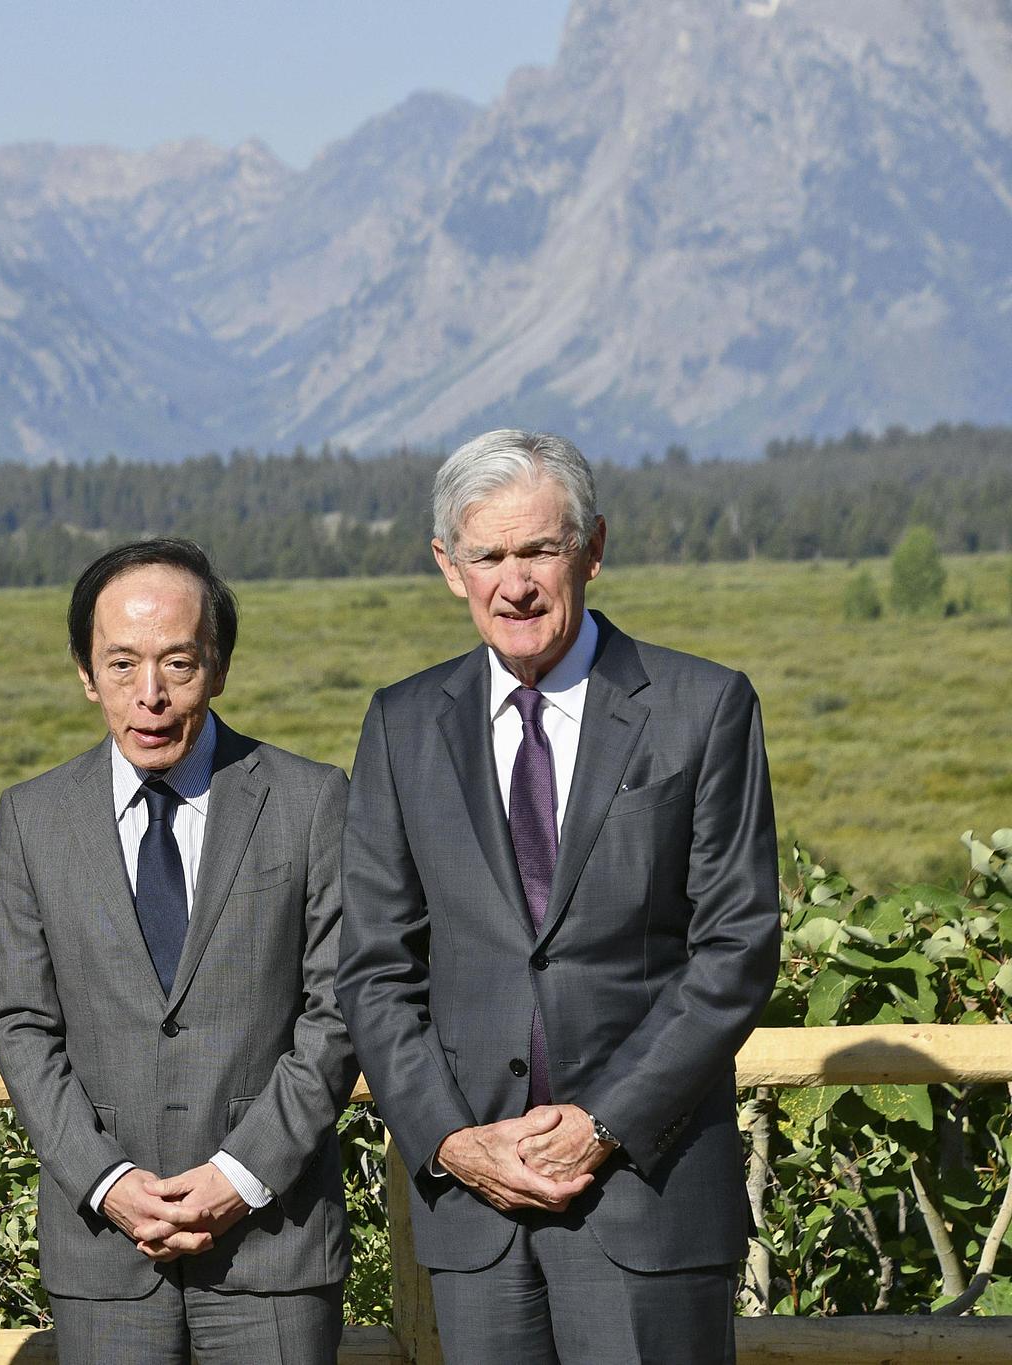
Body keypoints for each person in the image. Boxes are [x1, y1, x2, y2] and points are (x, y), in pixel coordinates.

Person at [337, 429, 781, 1363]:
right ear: (447, 566)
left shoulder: (703, 706)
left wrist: (603, 1124)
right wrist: (453, 1140)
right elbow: (375, 967)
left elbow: (737, 947)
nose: (516, 582)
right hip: (475, 1211)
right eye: (487, 554)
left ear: (593, 547)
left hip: (647, 1198)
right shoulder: (402, 724)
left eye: (539, 548)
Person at [0, 537, 357, 1365]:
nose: (147, 696)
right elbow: (17, 1021)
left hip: (274, 1247)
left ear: (219, 665)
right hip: (105, 1256)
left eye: (177, 664)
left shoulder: (310, 802)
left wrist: (243, 1171)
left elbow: (339, 1010)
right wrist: (106, 1181)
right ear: (86, 672)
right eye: (121, 666)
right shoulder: (33, 819)